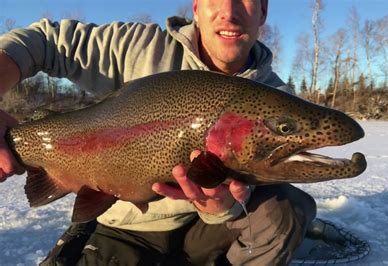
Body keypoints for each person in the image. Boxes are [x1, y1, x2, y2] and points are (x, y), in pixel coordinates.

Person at [0, 0, 318, 264]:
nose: (229, 11)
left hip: (203, 230)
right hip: (122, 226)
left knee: (287, 207)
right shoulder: (140, 47)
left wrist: (224, 207)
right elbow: (43, 41)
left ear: (263, 11)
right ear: (196, 7)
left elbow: (256, 186)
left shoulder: (275, 97)